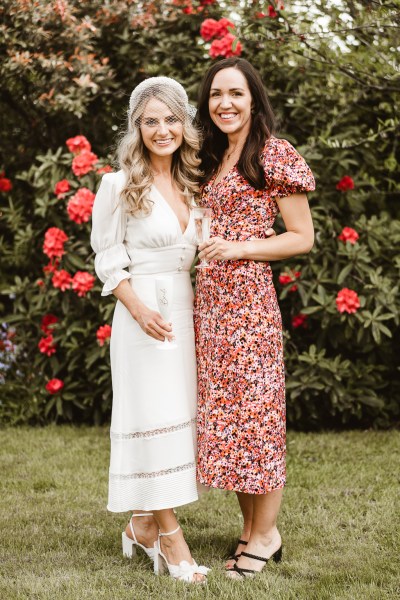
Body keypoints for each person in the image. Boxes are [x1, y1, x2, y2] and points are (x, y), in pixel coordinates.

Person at [194, 57, 315, 579]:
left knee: (257, 421)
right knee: (233, 423)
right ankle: (248, 530)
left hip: (248, 306)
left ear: (253, 99)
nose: (225, 103)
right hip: (211, 306)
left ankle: (266, 535)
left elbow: (301, 237)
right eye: (217, 94)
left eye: (236, 94)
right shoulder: (214, 154)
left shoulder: (273, 153)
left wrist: (239, 248)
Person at [90, 77, 208, 583]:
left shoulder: (193, 182)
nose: (163, 130)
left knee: (178, 417)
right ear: (136, 128)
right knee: (153, 418)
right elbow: (108, 255)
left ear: (185, 124)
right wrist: (137, 309)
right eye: (151, 121)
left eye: (172, 119)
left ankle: (141, 524)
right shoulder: (118, 184)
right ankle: (171, 540)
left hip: (185, 309)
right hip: (143, 316)